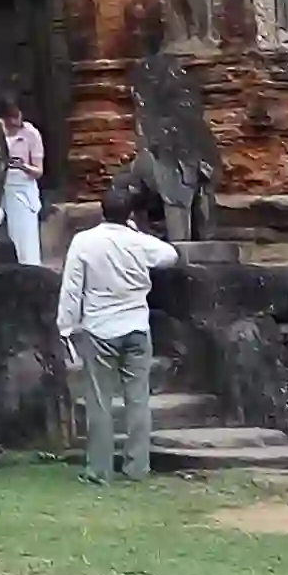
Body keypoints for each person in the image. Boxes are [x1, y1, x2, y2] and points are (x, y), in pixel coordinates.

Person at [56, 173, 180, 481]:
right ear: (130, 215)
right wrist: (136, 234)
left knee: (100, 402)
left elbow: (72, 288)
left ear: (102, 210)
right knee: (137, 399)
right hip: (137, 326)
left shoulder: (84, 242)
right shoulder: (138, 242)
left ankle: (100, 469)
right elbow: (171, 255)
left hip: (100, 328)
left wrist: (66, 326)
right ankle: (137, 466)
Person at [0, 93, 48, 266]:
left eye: (17, 115)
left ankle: (28, 267)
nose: (15, 120)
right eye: (11, 116)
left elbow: (38, 171)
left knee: (24, 237)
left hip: (22, 183)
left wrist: (23, 166)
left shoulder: (30, 133)